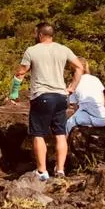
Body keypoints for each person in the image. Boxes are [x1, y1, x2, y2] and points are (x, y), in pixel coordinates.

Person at [17, 22, 85, 181]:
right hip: (61, 96)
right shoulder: (63, 49)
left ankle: (42, 171)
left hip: (42, 96)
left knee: (38, 134)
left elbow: (21, 71)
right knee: (60, 134)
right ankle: (60, 170)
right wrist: (72, 87)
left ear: (40, 34)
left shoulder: (32, 50)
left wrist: (14, 90)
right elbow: (79, 67)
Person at [66, 66, 105, 135]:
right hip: (104, 118)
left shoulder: (73, 84)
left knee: (69, 123)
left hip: (89, 118)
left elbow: (75, 108)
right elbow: (102, 100)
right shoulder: (95, 79)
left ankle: (65, 141)